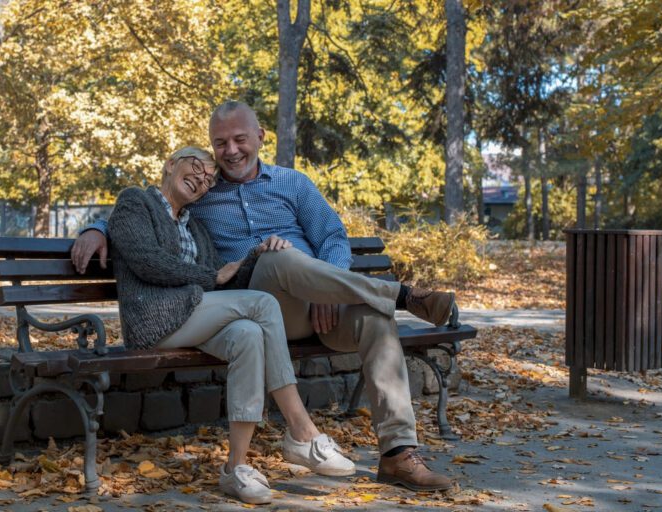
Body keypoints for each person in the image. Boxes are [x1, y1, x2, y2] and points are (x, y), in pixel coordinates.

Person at [72, 101, 456, 491]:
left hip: (319, 306)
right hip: (257, 302)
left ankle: (398, 455)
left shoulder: (293, 184)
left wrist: (327, 289)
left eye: (240, 139)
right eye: (220, 143)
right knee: (276, 256)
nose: (230, 151)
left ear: (260, 137)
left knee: (376, 319)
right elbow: (150, 209)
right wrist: (96, 229)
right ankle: (402, 295)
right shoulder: (204, 191)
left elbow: (333, 238)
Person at [107, 146, 354, 505]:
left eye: (209, 179)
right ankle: (302, 431)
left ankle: (235, 467)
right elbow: (148, 261)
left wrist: (259, 254)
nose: (202, 180)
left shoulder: (195, 225)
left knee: (247, 335)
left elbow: (224, 280)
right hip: (152, 321)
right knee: (262, 304)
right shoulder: (135, 202)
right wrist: (209, 276)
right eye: (196, 167)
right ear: (171, 164)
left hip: (191, 317)